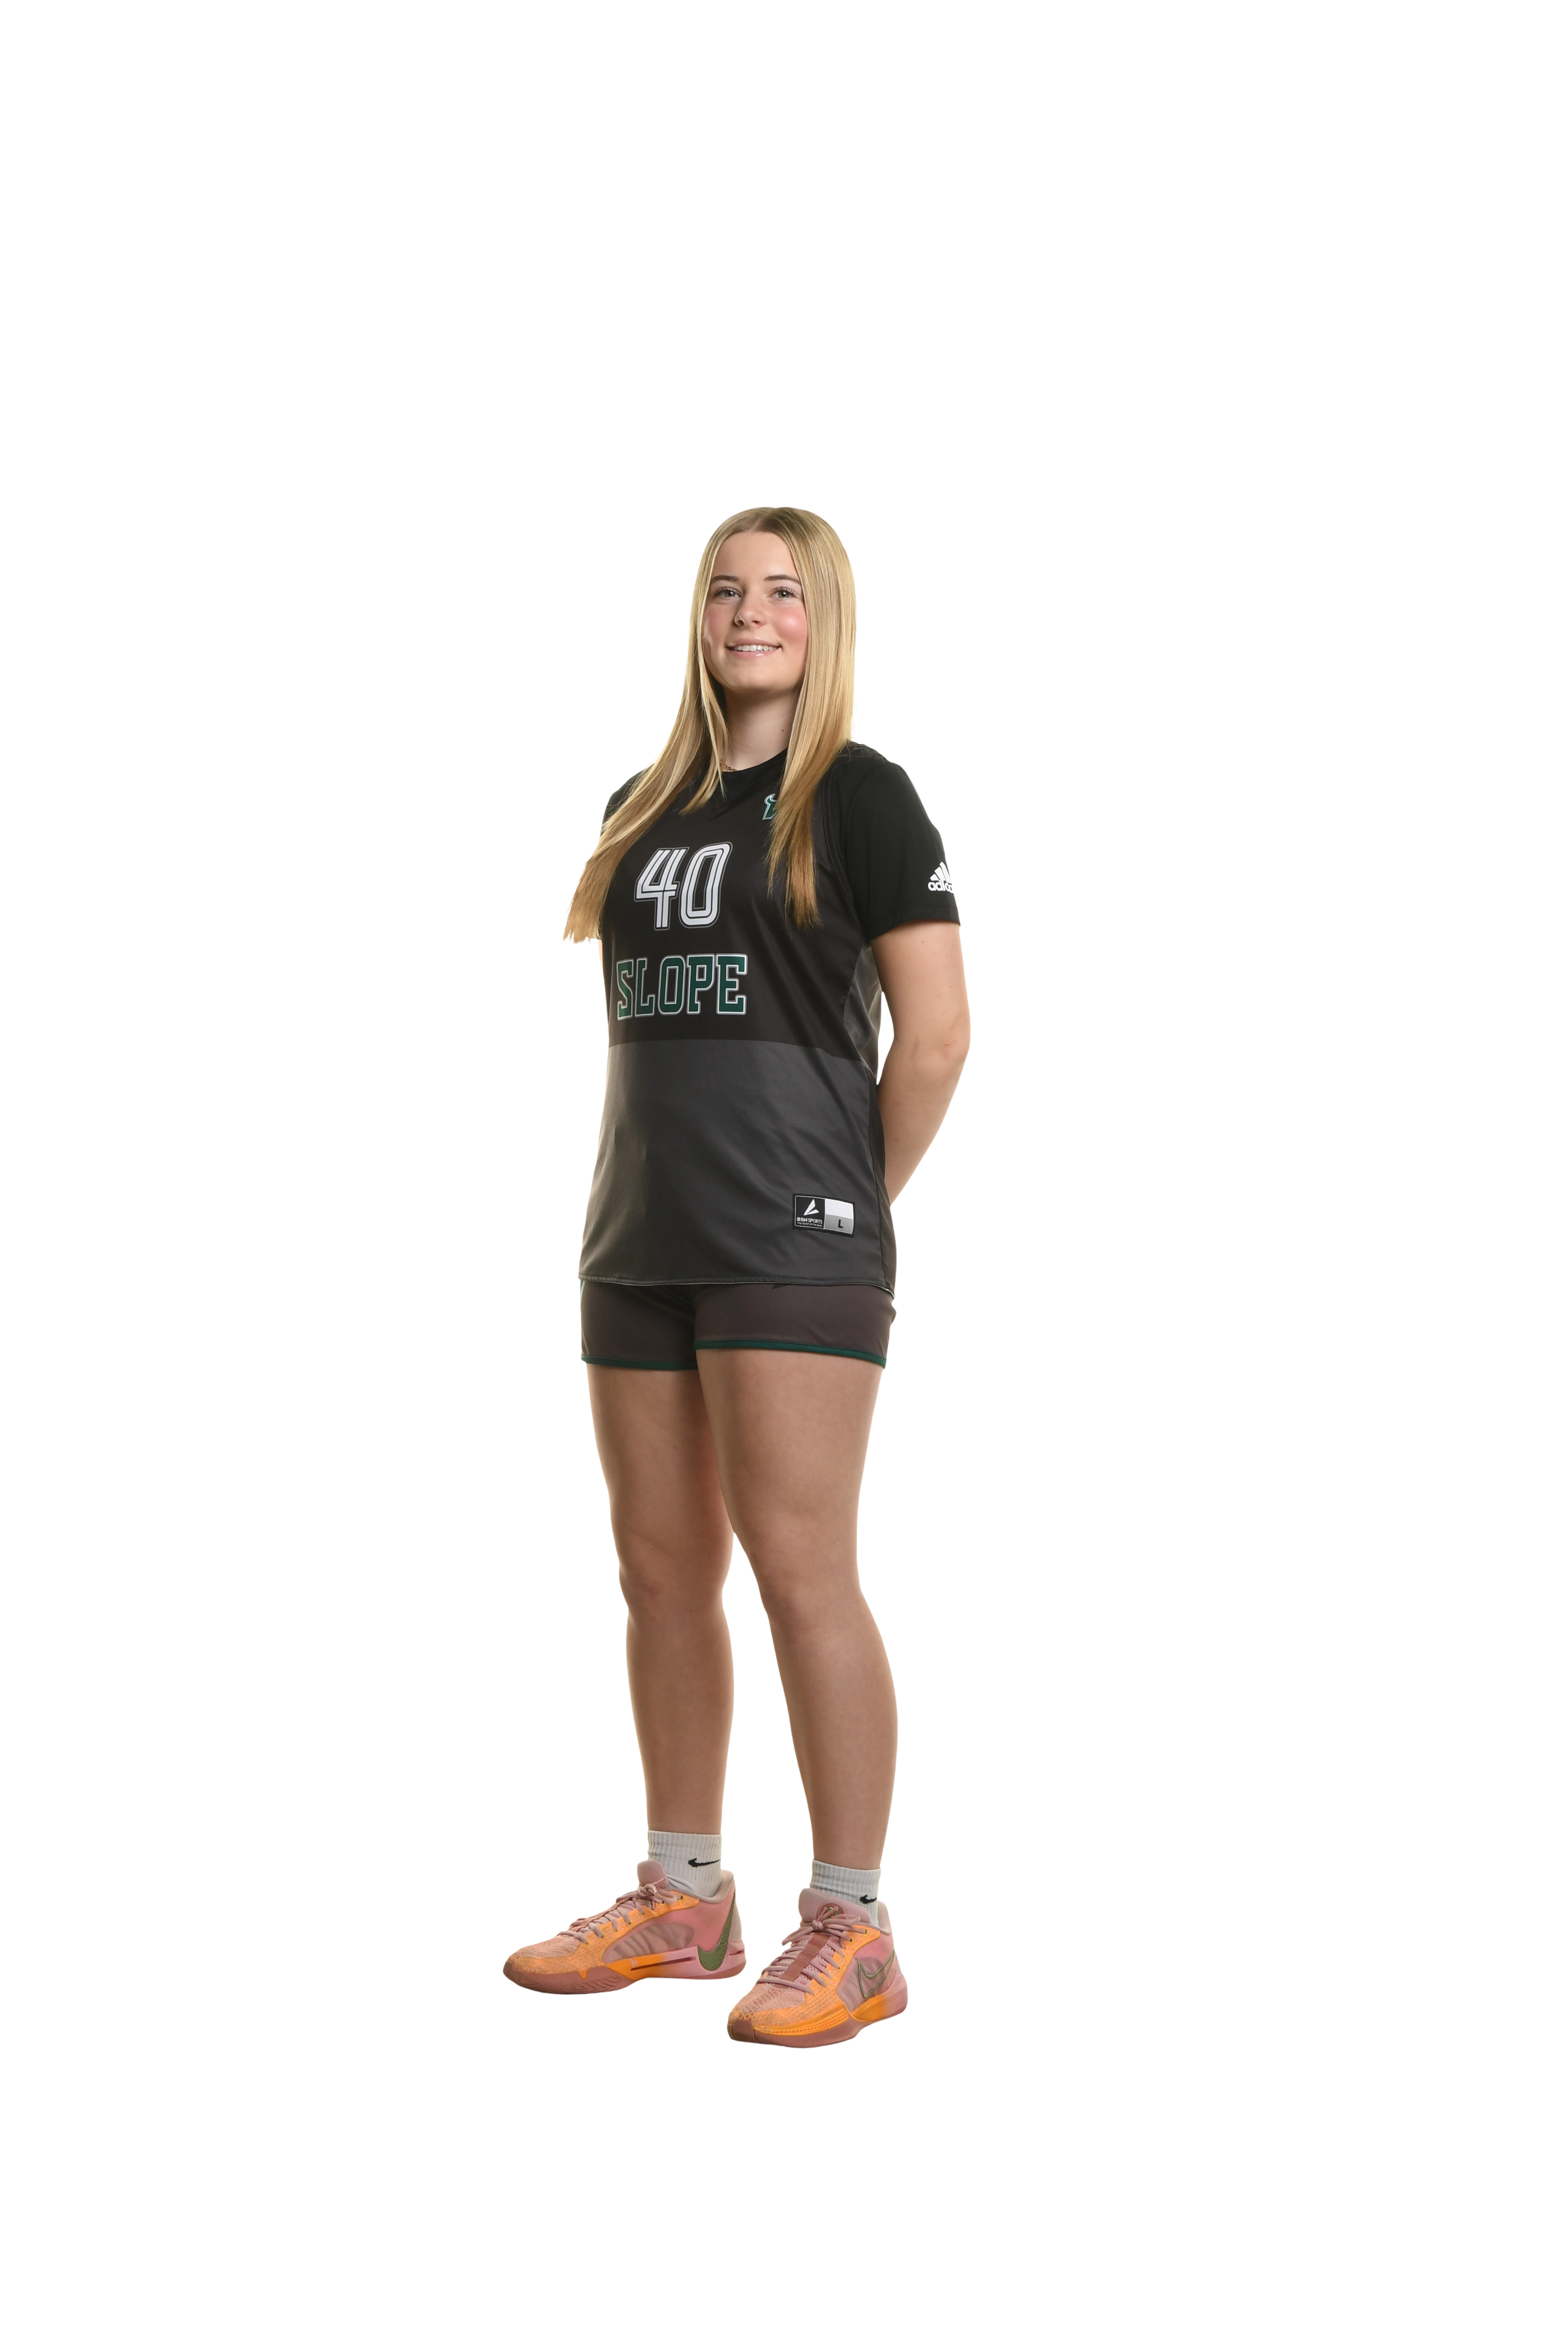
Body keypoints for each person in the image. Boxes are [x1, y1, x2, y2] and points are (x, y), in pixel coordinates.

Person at [504, 506, 969, 2047]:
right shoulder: (643, 804)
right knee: (658, 1571)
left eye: (784, 591)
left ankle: (850, 1923)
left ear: (828, 620)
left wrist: (842, 1204)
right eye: (725, 589)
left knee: (798, 1566)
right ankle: (687, 1897)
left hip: (794, 1240)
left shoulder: (863, 796)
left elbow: (939, 1037)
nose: (751, 613)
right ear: (694, 618)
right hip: (639, 1233)